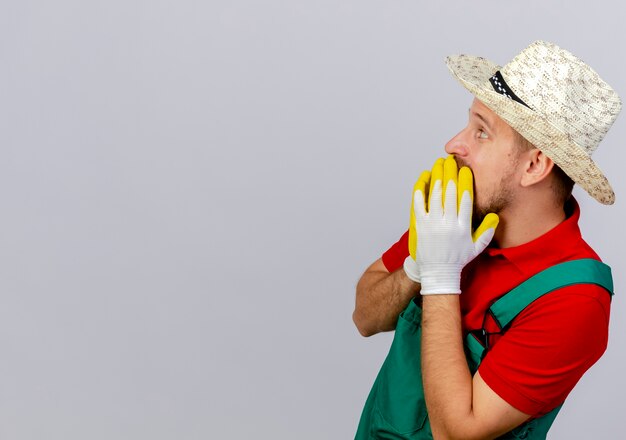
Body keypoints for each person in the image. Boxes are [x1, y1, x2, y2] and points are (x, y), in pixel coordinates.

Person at [353, 40, 622, 439]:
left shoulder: (575, 300)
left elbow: (456, 433)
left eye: (481, 132)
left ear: (534, 165)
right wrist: (418, 265)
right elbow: (365, 317)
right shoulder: (457, 217)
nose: (453, 145)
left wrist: (442, 277)